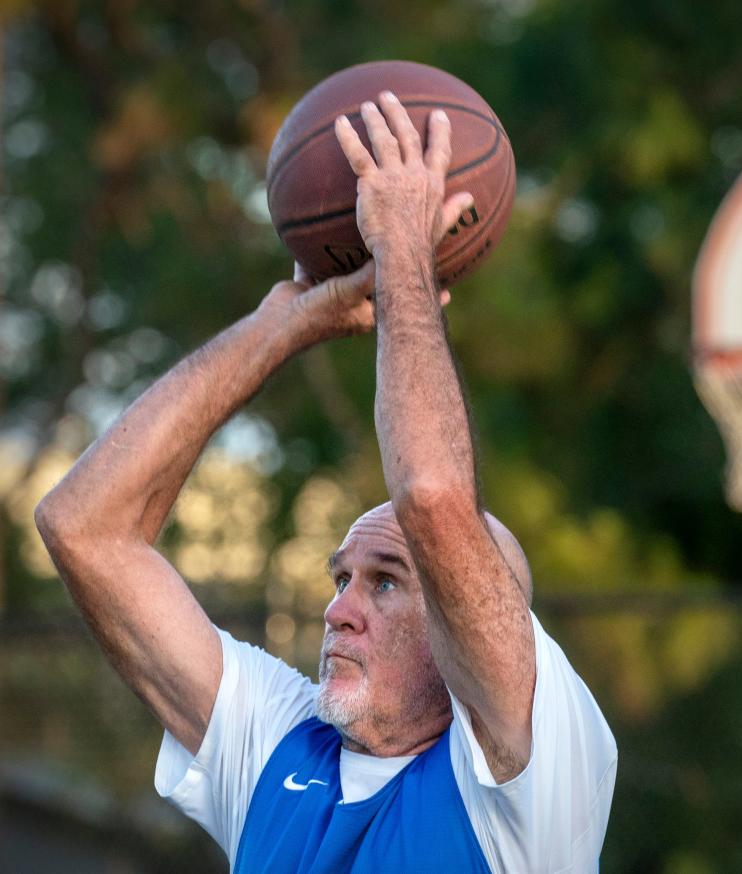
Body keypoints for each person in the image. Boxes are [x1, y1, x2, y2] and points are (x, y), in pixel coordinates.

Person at [34, 92, 617, 872]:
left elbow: (434, 499)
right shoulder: (278, 743)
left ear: (471, 629)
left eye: (385, 583)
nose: (337, 609)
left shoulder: (530, 772)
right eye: (344, 577)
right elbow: (82, 525)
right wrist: (283, 326)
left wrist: (403, 249)